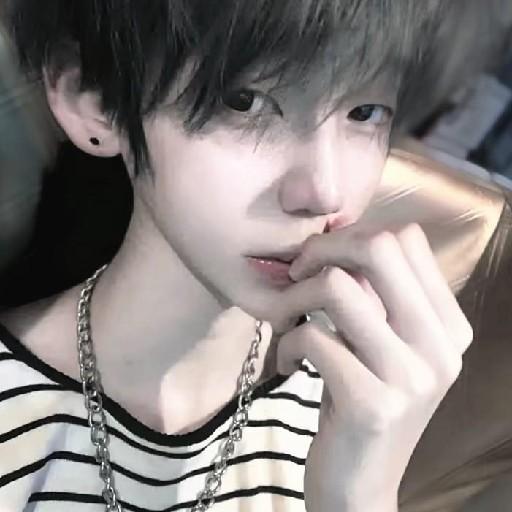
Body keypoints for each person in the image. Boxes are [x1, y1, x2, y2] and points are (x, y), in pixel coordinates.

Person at [0, 1, 473, 511]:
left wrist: (361, 498)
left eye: (365, 113)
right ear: (94, 99)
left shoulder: (371, 405)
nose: (324, 191)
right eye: (245, 102)